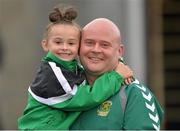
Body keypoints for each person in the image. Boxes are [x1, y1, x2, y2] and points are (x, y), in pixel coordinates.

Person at [18, 5, 133, 130]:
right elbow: (87, 97)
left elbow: (97, 70)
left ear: (79, 47)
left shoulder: (73, 68)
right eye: (58, 42)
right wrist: (116, 76)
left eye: (71, 43)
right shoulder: (51, 73)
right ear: (45, 45)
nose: (65, 47)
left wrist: (119, 65)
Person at [70, 18, 164, 130]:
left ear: (119, 51)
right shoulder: (64, 87)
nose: (96, 49)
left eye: (104, 45)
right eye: (89, 43)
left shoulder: (134, 94)